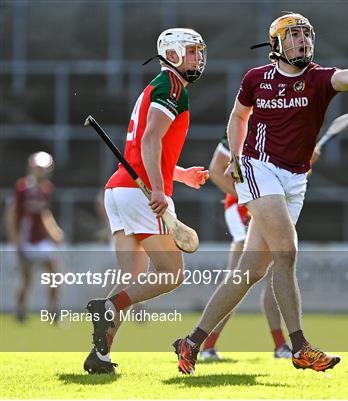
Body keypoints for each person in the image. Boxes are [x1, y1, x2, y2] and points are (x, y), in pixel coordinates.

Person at [173, 12, 348, 375]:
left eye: (306, 35)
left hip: (296, 179)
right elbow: (238, 119)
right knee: (287, 250)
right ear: (277, 44)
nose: (303, 41)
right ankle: (299, 346)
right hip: (259, 166)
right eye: (294, 35)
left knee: (251, 271)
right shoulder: (256, 79)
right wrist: (237, 157)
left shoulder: (318, 79)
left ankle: (190, 342)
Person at [83, 28, 210, 374]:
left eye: (199, 51)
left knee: (132, 277)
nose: (198, 57)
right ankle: (108, 307)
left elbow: (147, 147)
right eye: (192, 51)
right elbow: (151, 140)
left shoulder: (158, 86)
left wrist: (179, 175)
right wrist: (158, 190)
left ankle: (100, 355)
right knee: (171, 274)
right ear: (171, 55)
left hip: (119, 191)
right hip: (141, 193)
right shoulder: (171, 87)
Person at [199, 129, 321, 361]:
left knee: (277, 271)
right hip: (242, 209)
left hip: (274, 209)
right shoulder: (246, 126)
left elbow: (295, 179)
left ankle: (281, 346)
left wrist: (306, 161)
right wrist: (251, 199)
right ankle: (204, 345)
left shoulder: (289, 126)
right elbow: (216, 170)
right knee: (239, 275)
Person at [5, 151, 63, 323]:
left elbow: (44, 213)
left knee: (55, 274)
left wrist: (53, 231)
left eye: (43, 169)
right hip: (25, 240)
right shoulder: (22, 188)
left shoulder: (47, 189)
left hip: (41, 241)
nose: (41, 172)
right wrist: (15, 239)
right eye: (38, 168)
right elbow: (11, 213)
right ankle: (20, 311)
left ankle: (54, 313)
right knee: (26, 279)